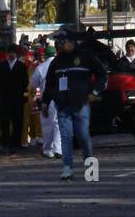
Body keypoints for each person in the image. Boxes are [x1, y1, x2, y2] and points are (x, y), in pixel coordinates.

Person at [41, 29, 107, 180]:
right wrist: (45, 102)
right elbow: (50, 83)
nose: (63, 45)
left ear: (73, 41)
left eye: (65, 41)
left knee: (83, 136)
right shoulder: (57, 61)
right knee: (66, 136)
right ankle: (67, 168)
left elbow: (102, 75)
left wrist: (95, 92)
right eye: (61, 42)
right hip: (63, 104)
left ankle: (90, 168)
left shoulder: (86, 56)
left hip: (81, 104)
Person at [0, 42, 28, 152]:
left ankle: (16, 142)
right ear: (6, 54)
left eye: (13, 53)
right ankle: (4, 142)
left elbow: (25, 82)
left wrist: (23, 95)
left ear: (17, 54)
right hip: (5, 98)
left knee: (17, 121)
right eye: (9, 53)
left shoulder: (22, 66)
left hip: (18, 98)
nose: (11, 55)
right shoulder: (1, 66)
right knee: (4, 121)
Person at [31, 45, 61, 160]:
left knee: (48, 123)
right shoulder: (61, 65)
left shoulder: (41, 67)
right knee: (58, 122)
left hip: (47, 98)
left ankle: (48, 149)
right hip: (61, 97)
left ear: (45, 55)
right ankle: (58, 148)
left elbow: (33, 84)